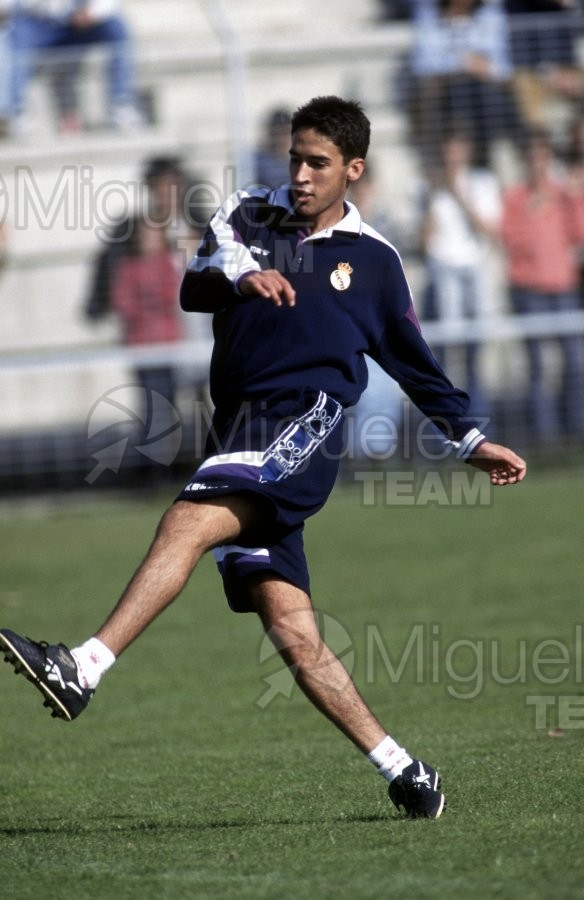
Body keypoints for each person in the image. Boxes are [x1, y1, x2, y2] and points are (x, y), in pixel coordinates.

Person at [0, 96, 526, 821]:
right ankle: (406, 770)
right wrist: (240, 275)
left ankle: (83, 667)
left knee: (186, 519)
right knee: (291, 628)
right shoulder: (249, 215)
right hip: (239, 429)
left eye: (319, 163)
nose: (303, 175)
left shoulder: (373, 262)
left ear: (354, 170)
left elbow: (414, 362)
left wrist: (469, 438)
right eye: (296, 159)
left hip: (302, 424)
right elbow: (193, 288)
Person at [501, 129, 584, 441]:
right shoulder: (515, 198)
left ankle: (576, 432)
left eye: (542, 156)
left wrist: (574, 198)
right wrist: (532, 212)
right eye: (531, 157)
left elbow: (579, 234)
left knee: (576, 362)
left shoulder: (564, 194)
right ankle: (545, 439)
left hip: (562, 287)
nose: (537, 163)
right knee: (537, 366)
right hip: (529, 289)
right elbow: (509, 238)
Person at [418, 128, 502, 408]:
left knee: (473, 355)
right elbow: (424, 240)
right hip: (442, 271)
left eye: (457, 147)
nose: (451, 155)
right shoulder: (428, 186)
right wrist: (433, 195)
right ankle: (448, 424)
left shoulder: (482, 182)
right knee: (444, 355)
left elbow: (489, 230)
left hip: (473, 270)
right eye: (447, 148)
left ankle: (480, 419)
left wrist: (458, 194)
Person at [408, 0, 521, 167]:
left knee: (478, 93)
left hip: (485, 92)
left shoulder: (490, 13)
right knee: (461, 93)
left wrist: (475, 66)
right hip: (444, 92)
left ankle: (478, 160)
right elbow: (423, 64)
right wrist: (463, 63)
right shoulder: (428, 12)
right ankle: (465, 163)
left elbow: (502, 67)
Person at [8, 0, 140, 135]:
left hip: (79, 21)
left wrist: (92, 12)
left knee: (116, 27)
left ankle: (121, 104)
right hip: (38, 22)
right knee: (16, 37)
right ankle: (17, 112)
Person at [253, 106, 292, 190]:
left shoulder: (302, 162)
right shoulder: (257, 162)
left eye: (285, 133)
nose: (280, 140)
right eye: (276, 134)